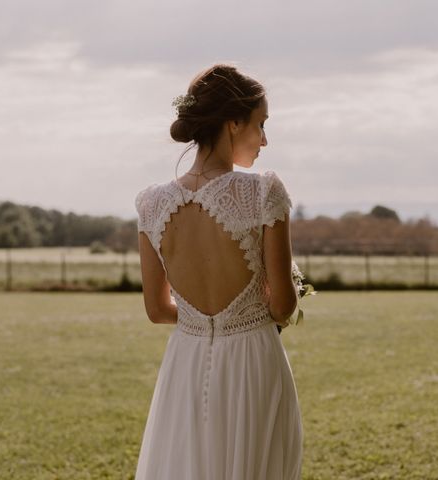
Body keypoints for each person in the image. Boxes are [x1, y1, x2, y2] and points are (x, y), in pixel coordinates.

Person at [133, 64, 303, 479]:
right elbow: (282, 306)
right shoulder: (263, 192)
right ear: (233, 122)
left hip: (186, 361)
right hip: (252, 360)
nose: (264, 140)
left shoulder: (152, 204)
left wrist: (201, 321)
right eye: (260, 124)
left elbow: (157, 310)